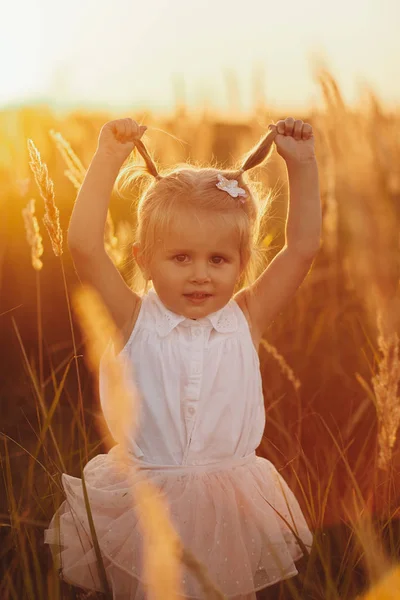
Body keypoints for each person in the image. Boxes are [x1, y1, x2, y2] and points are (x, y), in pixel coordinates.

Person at [44, 116, 321, 599]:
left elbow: (302, 248)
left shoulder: (246, 318)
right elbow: (85, 247)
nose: (200, 275)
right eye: (180, 258)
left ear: (241, 264)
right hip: (148, 504)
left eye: (218, 260)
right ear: (145, 258)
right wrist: (109, 156)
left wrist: (302, 166)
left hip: (229, 504)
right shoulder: (133, 319)